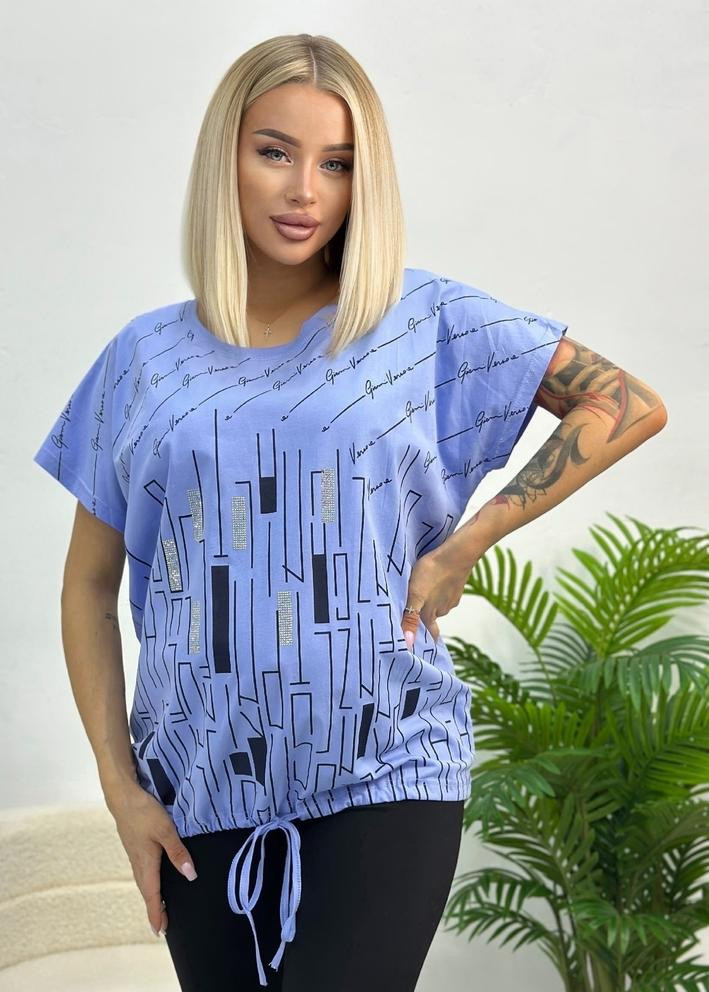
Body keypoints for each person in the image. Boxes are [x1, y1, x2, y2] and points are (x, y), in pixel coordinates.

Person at [32, 32, 667, 992]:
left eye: (336, 164)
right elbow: (87, 586)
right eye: (275, 152)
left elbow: (623, 402)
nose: (305, 191)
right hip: (197, 794)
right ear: (223, 158)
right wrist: (120, 790)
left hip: (387, 771)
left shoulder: (419, 320)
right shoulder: (143, 359)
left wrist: (468, 542)